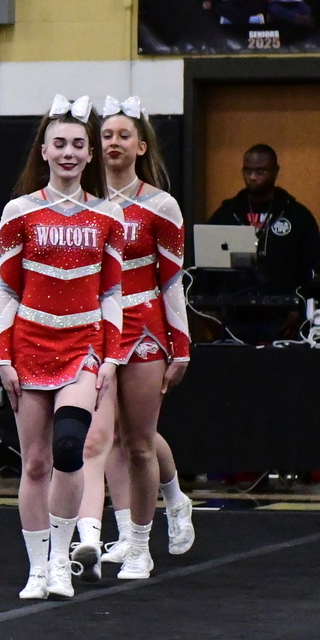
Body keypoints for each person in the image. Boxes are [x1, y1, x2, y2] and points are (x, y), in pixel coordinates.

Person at [0, 95, 124, 600]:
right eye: (59, 144)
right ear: (44, 151)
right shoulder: (19, 212)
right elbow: (8, 291)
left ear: (90, 154)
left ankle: (60, 563)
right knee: (34, 463)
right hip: (29, 344)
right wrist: (2, 356)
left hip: (82, 346)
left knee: (70, 449)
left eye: (77, 144)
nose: (68, 152)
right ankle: (36, 568)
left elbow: (112, 294)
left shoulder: (107, 215)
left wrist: (111, 357)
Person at [73, 96, 194, 584]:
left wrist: (181, 346)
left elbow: (172, 280)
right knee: (108, 437)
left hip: (144, 326)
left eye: (124, 135)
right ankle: (127, 533)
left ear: (141, 146)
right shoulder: (84, 203)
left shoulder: (160, 205)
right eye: (106, 135)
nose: (114, 143)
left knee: (140, 441)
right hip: (97, 330)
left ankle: (149, 537)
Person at [205, 143, 320, 341]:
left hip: (284, 316)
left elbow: (313, 268)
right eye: (248, 171)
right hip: (234, 316)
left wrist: (300, 309)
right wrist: (208, 308)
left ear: (275, 172)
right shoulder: (227, 214)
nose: (253, 177)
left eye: (260, 171)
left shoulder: (297, 215)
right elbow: (205, 265)